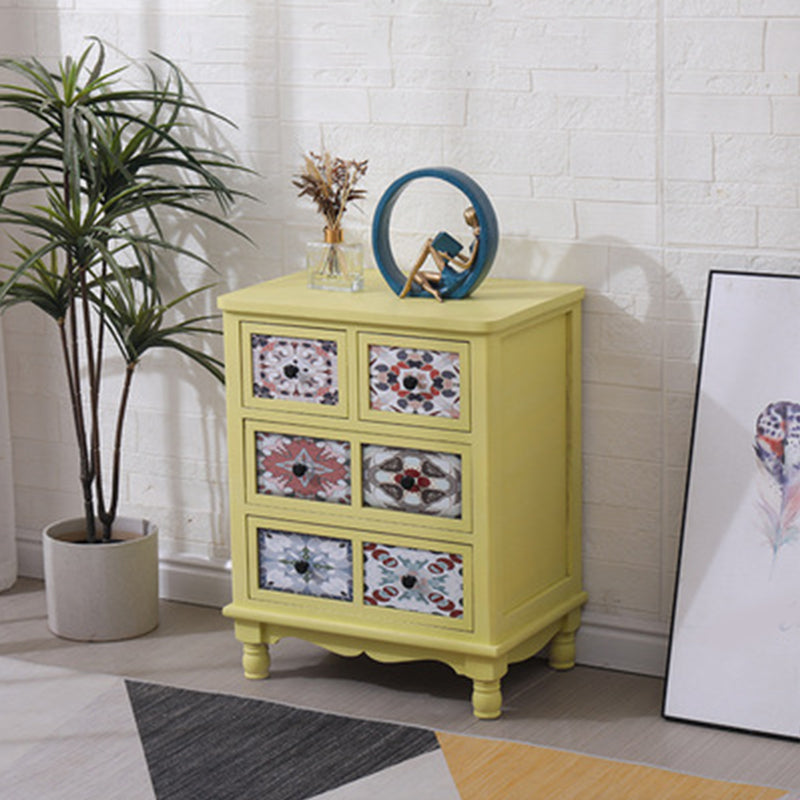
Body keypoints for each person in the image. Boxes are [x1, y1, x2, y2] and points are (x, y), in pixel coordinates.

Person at [400, 206, 480, 301]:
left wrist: (448, 257)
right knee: (417, 274)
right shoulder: (479, 239)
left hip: (455, 280)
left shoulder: (477, 241)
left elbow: (467, 265)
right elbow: (472, 261)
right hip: (458, 278)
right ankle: (433, 291)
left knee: (429, 243)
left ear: (473, 221)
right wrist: (457, 254)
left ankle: (408, 285)